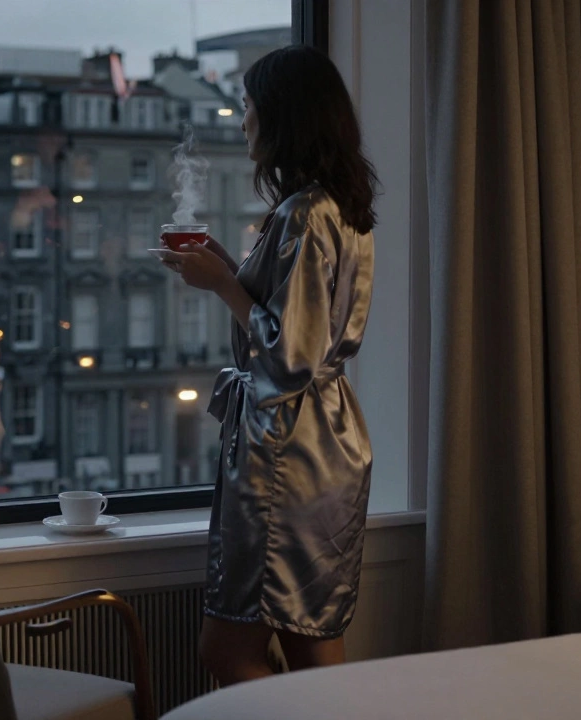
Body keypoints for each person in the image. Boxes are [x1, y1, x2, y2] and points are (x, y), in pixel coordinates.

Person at [155, 45, 378, 686]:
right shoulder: (342, 207)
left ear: (283, 117)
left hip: (285, 449)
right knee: (313, 648)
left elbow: (291, 357)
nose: (244, 120)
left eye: (249, 107)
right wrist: (229, 268)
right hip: (326, 443)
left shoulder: (303, 214)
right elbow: (300, 327)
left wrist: (222, 285)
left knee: (227, 651)